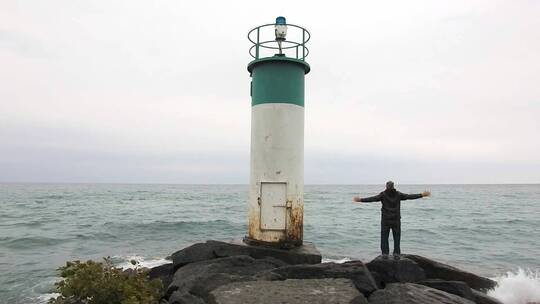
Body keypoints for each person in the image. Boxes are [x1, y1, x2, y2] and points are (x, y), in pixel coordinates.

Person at [353, 181, 431, 259]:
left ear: (386, 186)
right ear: (393, 186)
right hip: (396, 219)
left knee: (384, 237)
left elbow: (372, 199)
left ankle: (385, 254)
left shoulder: (383, 195)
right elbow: (409, 196)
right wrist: (421, 195)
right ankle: (396, 253)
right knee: (397, 236)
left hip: (385, 220)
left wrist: (360, 200)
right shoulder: (398, 194)